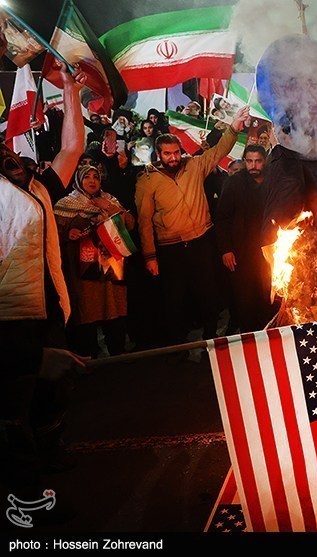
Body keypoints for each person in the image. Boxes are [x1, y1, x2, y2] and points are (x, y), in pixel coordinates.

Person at [0, 61, 87, 495]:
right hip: (10, 321)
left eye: (13, 154)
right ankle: (25, 496)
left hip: (48, 306)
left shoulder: (39, 188)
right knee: (13, 406)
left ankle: (49, 448)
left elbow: (71, 147)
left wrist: (72, 91)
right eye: (4, 157)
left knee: (55, 387)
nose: (11, 156)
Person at [135, 105, 250, 347]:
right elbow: (144, 221)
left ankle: (211, 340)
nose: (173, 158)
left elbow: (220, 150)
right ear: (158, 154)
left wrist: (235, 125)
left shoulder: (195, 165)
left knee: (208, 294)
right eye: (168, 154)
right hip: (170, 248)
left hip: (201, 241)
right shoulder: (147, 180)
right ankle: (179, 347)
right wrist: (150, 256)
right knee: (175, 300)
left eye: (176, 152)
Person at [54, 165, 136, 357]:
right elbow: (53, 234)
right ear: (78, 181)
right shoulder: (65, 204)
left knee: (114, 308)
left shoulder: (109, 200)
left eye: (96, 177)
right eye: (87, 177)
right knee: (87, 311)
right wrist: (67, 234)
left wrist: (108, 207)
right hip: (83, 271)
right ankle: (89, 355)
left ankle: (117, 351)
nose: (92, 181)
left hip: (110, 266)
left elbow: (130, 223)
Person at [215, 145, 276, 333]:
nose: (253, 165)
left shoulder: (273, 181)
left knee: (268, 298)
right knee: (245, 300)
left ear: (265, 161)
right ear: (244, 161)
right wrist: (226, 249)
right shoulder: (234, 183)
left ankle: (268, 337)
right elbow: (222, 218)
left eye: (258, 161)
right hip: (242, 253)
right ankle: (249, 339)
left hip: (269, 252)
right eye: (249, 161)